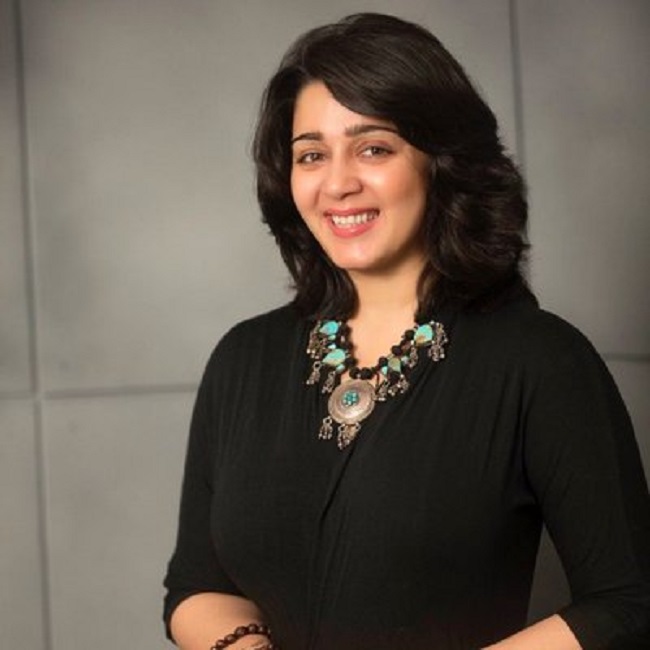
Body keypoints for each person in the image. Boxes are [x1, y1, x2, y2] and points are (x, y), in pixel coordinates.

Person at [163, 12, 650, 650]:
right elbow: (195, 585)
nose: (338, 184)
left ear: (441, 162)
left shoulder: (541, 360)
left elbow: (627, 602)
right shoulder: (243, 359)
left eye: (374, 148)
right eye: (311, 155)